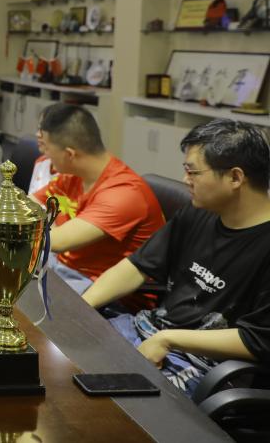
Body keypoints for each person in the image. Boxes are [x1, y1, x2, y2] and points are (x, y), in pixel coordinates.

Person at [82, 119, 270, 395]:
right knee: (66, 354)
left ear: (235, 178)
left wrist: (169, 339)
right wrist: (82, 306)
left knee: (100, 400)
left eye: (193, 172)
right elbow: (137, 266)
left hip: (201, 364)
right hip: (148, 330)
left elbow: (258, 339)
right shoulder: (199, 211)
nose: (185, 180)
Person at [33, 103, 164, 297]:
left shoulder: (124, 192)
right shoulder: (73, 174)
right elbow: (29, 202)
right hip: (62, 268)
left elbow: (56, 241)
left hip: (103, 292)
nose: (44, 154)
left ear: (69, 154)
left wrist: (31, 218)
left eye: (47, 149)